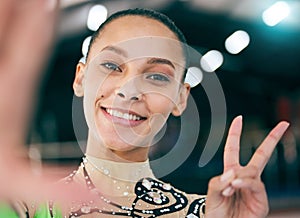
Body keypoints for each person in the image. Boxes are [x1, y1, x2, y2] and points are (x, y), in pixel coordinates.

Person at [0, 2, 290, 218]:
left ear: (180, 98)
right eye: (112, 66)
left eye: (157, 76)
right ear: (80, 78)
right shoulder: (24, 206)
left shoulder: (210, 213)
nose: (129, 90)